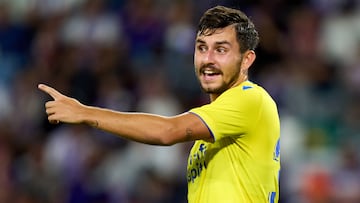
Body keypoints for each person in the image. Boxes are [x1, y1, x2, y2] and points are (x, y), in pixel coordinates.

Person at [38, 5, 280, 203]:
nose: (208, 59)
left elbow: (167, 131)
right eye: (202, 48)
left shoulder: (250, 98)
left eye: (221, 50)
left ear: (246, 59)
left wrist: (85, 112)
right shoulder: (210, 135)